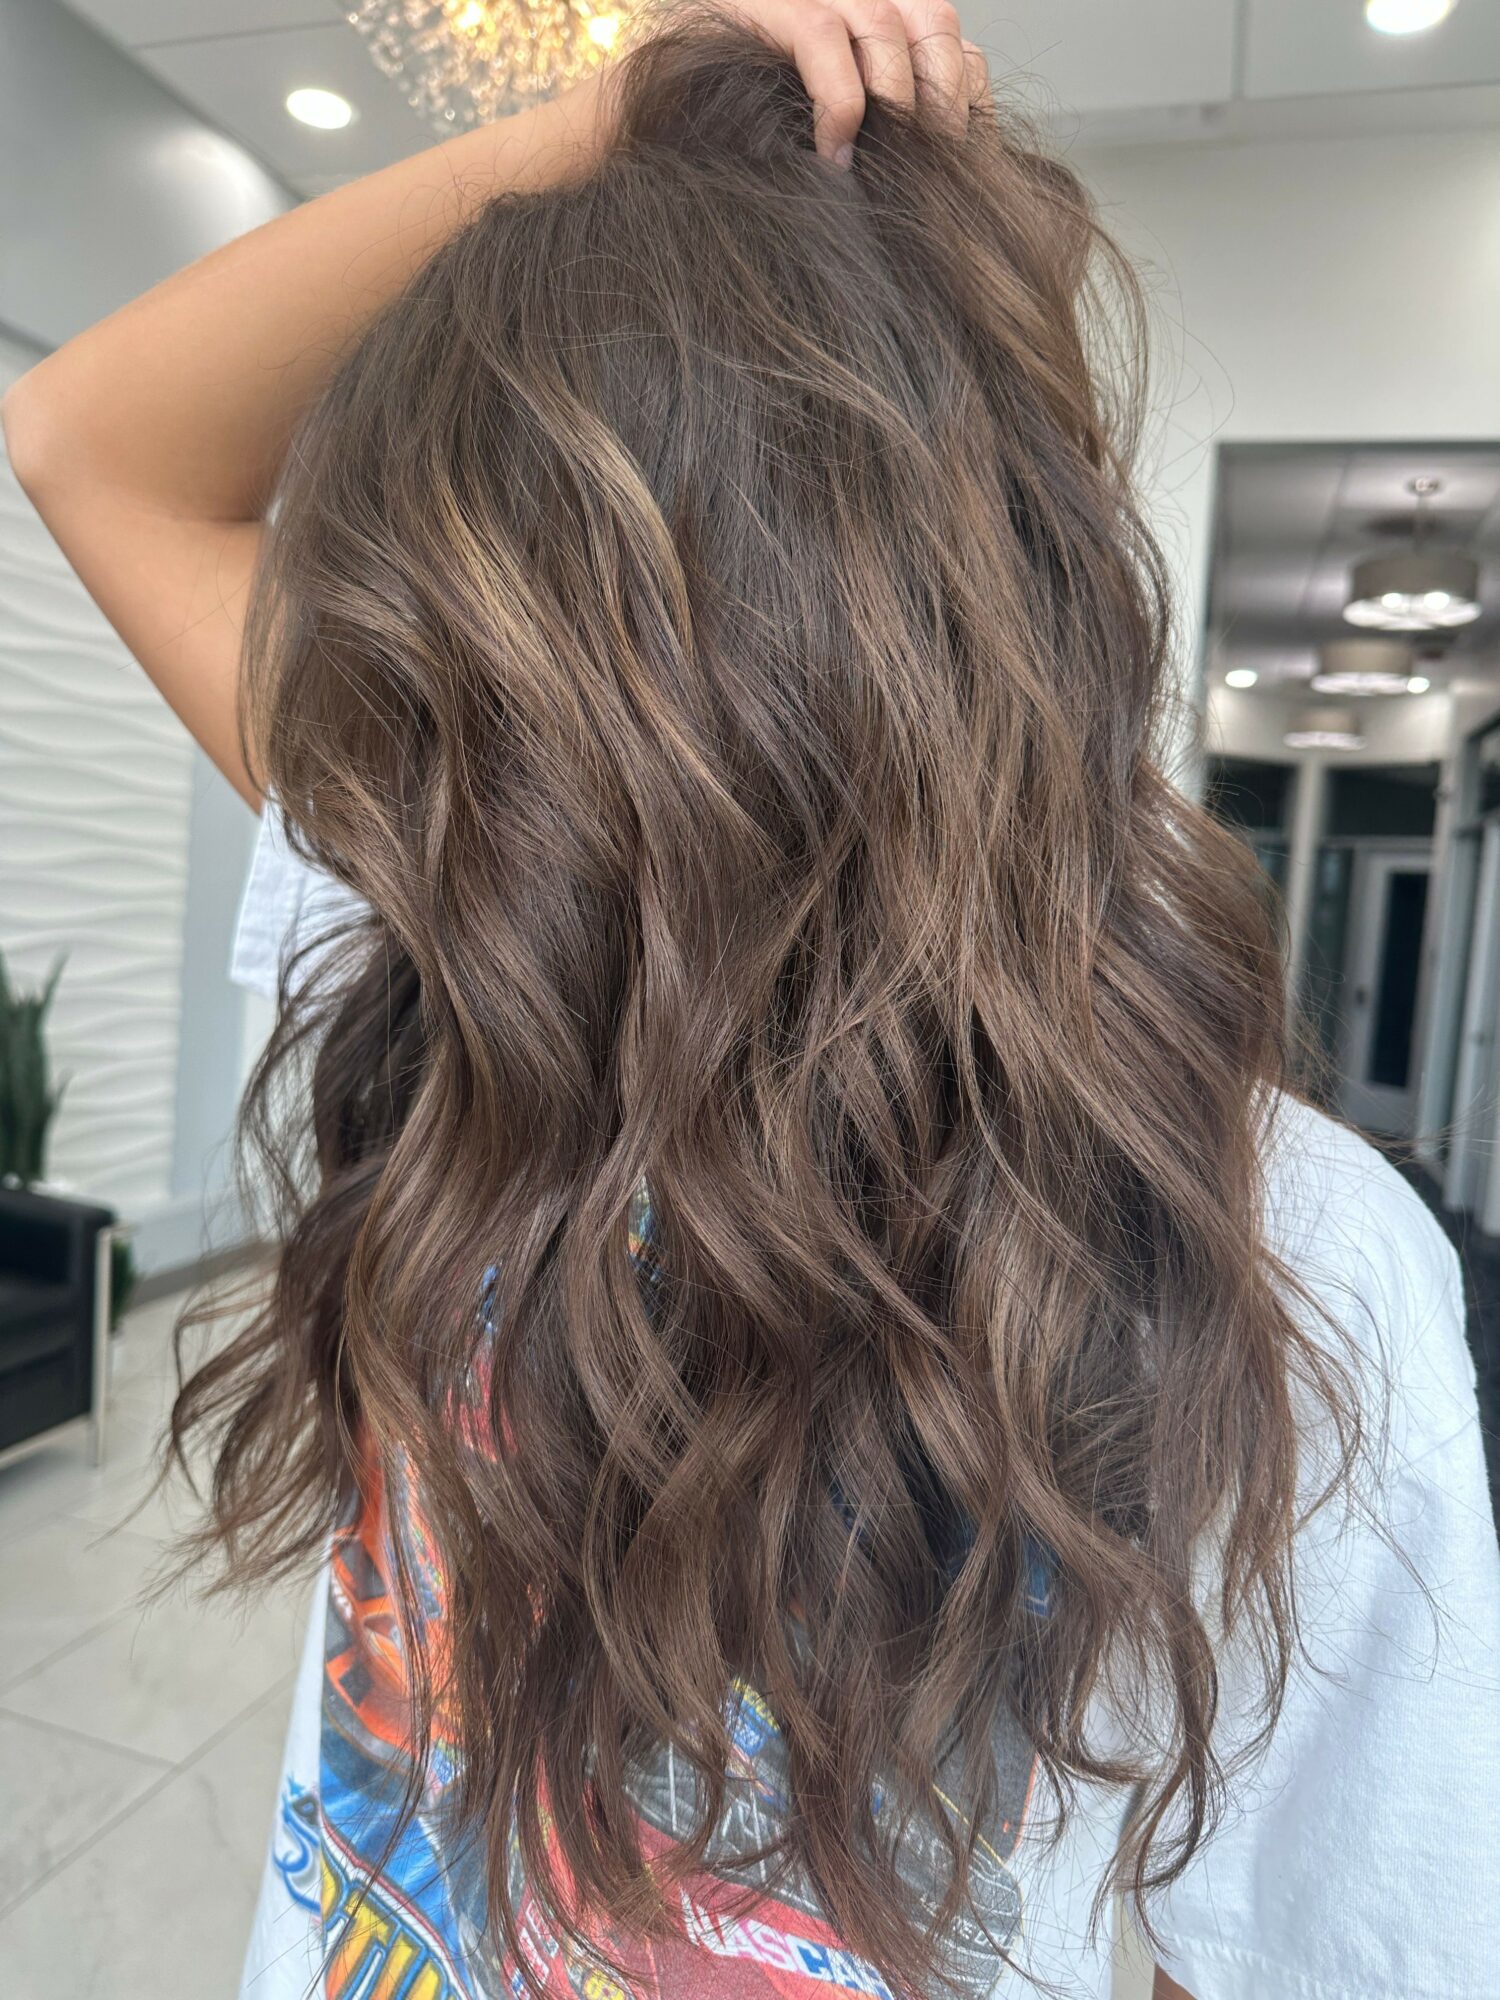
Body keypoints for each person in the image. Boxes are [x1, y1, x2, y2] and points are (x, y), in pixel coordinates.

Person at [5, 5, 1497, 1997]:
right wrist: (618, 118)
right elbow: (79, 441)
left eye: (509, 654)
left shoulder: (1290, 1265)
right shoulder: (457, 941)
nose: (436, 760)